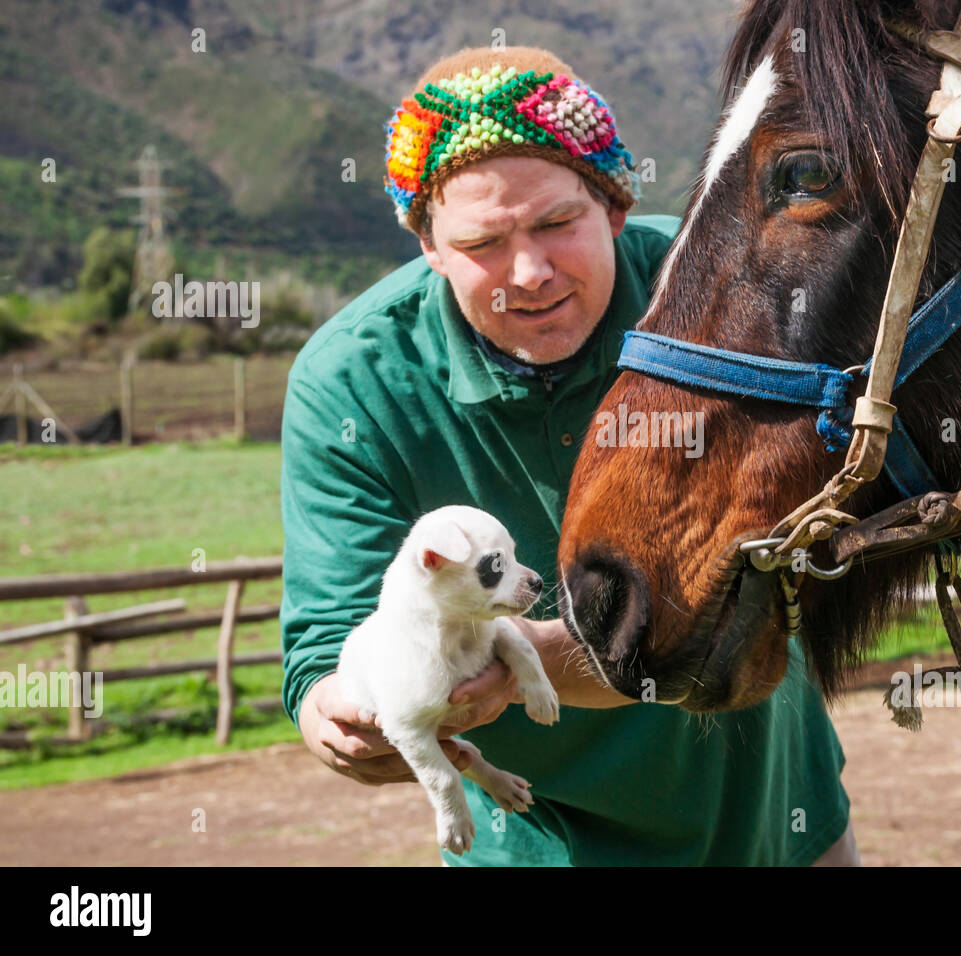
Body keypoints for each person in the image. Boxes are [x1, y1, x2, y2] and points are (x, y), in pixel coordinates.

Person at [280, 45, 859, 866]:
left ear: (614, 206)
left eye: (558, 224)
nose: (530, 273)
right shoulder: (352, 387)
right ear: (428, 245)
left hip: (778, 815)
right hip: (538, 845)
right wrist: (339, 721)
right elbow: (327, 646)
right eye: (482, 243)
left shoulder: (721, 287)